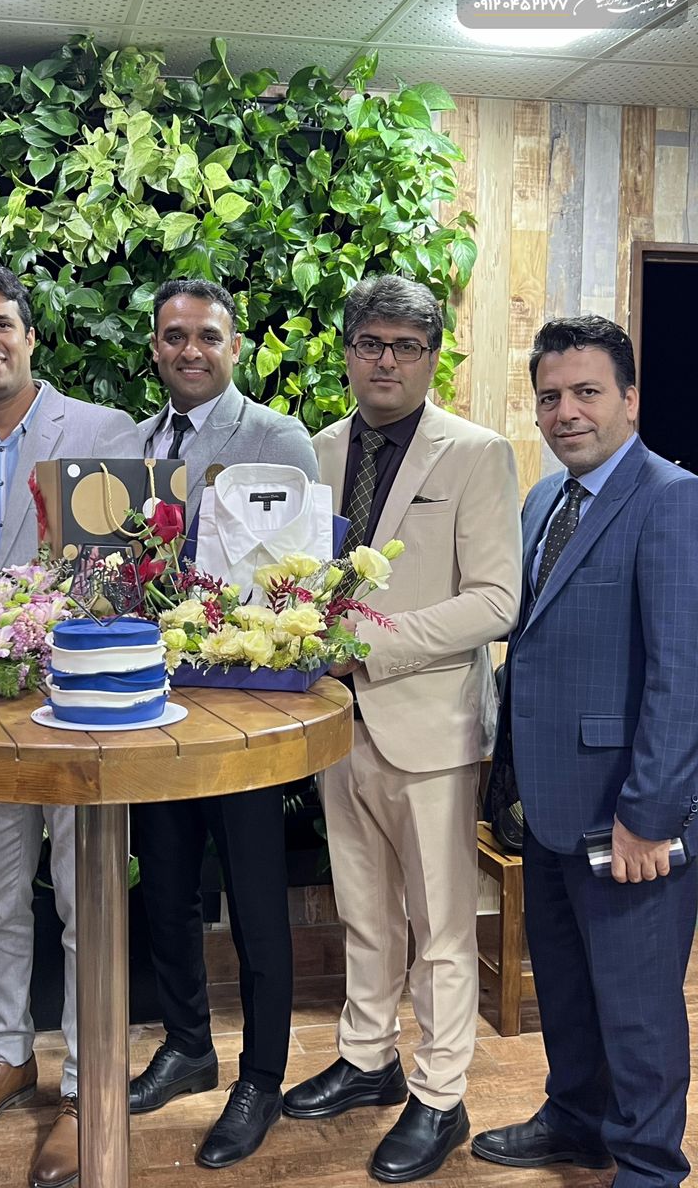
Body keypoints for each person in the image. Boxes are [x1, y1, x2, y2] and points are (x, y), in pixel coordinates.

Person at [284, 274, 521, 1183]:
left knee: (442, 927)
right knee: (364, 910)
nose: (386, 360)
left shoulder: (477, 453)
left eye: (406, 347)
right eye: (371, 343)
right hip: (337, 725)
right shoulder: (315, 450)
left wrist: (367, 648)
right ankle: (367, 1058)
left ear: (430, 358)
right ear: (348, 351)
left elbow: (495, 601)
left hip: (431, 727)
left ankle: (441, 1095)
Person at [0, 262, 141, 1188]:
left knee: (85, 898)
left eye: (1, 323)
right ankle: (7, 1055)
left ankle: (86, 1086)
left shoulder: (103, 432)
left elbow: (127, 572)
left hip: (78, 705)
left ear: (31, 334)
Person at [473, 316, 698, 1188]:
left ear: (630, 400)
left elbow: (682, 674)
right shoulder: (543, 501)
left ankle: (647, 1165)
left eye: (587, 393)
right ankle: (576, 1120)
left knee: (637, 1008)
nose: (565, 412)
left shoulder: (672, 498)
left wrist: (650, 815)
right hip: (546, 802)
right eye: (550, 397)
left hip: (626, 811)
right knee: (566, 988)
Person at [130, 279, 318, 1170]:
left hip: (246, 718)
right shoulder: (136, 447)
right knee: (164, 888)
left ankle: (262, 1079)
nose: (190, 350)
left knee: (254, 903)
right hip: (154, 710)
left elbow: (303, 577)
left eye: (207, 335)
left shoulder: (278, 439)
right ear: (156, 349)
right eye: (174, 336)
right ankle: (187, 1046)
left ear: (235, 347)